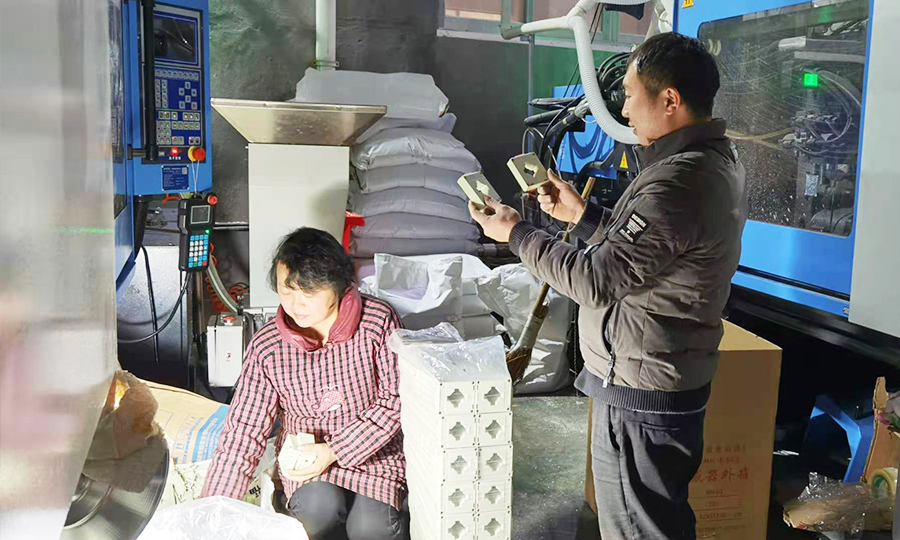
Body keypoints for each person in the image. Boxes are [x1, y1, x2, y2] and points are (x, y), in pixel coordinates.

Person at [469, 32, 747, 539]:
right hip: (659, 383)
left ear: (670, 100)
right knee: (656, 523)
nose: (623, 108)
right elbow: (648, 255)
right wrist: (582, 215)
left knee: (637, 530)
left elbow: (594, 281)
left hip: (640, 395)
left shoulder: (677, 182)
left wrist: (515, 233)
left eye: (630, 94)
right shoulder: (711, 162)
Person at [201, 228, 409, 540]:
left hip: (375, 457)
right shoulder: (268, 346)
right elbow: (244, 430)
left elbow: (395, 401)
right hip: (306, 463)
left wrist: (335, 449)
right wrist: (212, 511)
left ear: (338, 284)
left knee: (371, 529)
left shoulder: (378, 321)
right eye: (287, 291)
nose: (296, 305)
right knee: (317, 511)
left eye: (308, 293)